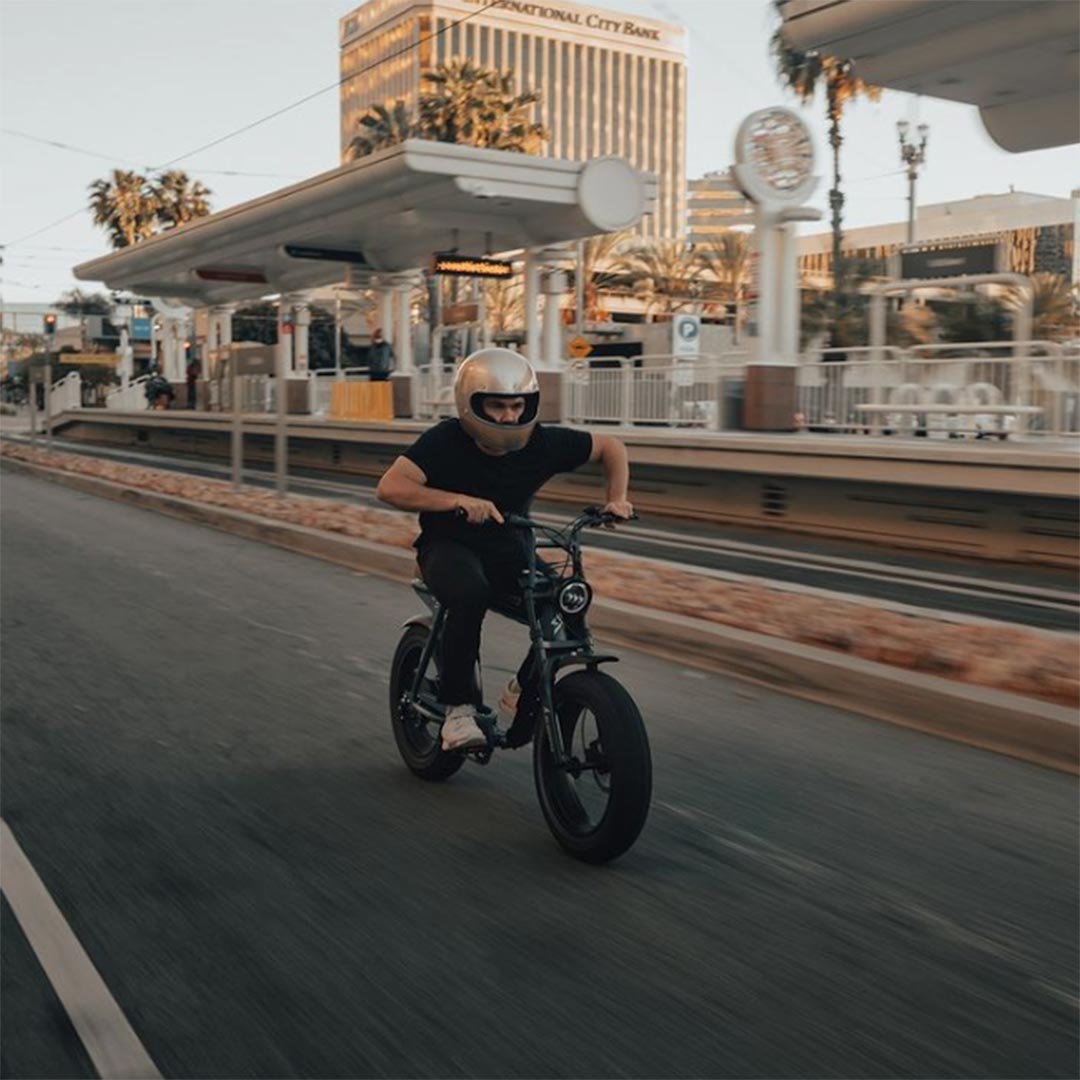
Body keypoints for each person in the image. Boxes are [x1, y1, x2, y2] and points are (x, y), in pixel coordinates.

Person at [376, 348, 633, 751]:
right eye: (497, 406)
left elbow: (611, 447)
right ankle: (458, 711)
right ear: (470, 403)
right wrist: (457, 500)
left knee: (565, 601)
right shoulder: (445, 440)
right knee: (469, 594)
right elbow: (390, 487)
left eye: (517, 405)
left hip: (508, 549)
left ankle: (522, 688)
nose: (510, 416)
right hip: (447, 547)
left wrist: (616, 498)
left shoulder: (542, 442)